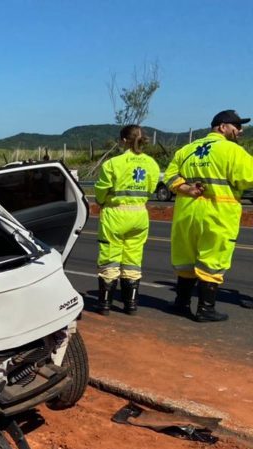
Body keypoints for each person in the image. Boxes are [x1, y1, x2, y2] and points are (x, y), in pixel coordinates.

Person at [166, 109, 253, 322]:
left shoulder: (187, 149)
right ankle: (206, 309)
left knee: (186, 259)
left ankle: (181, 303)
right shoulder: (233, 151)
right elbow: (248, 179)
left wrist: (185, 187)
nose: (240, 131)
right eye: (237, 127)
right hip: (217, 213)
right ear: (222, 127)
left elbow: (169, 176)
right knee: (212, 259)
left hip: (187, 213)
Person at [94, 125, 160, 315]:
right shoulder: (151, 164)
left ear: (123, 140)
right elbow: (151, 188)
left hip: (115, 213)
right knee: (133, 258)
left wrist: (101, 201)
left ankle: (105, 304)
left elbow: (101, 190)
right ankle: (131, 304)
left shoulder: (113, 164)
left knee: (110, 257)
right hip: (139, 214)